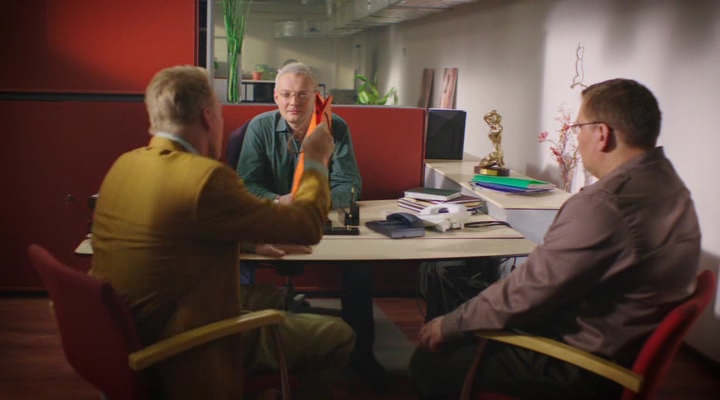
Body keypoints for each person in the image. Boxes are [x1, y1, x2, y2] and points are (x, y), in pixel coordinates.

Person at [409, 78, 701, 399]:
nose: (577, 138)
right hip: (620, 346)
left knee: (432, 361)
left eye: (578, 128)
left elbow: (528, 292)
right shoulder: (670, 185)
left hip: (580, 365)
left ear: (602, 134)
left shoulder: (605, 204)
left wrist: (449, 325)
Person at [89, 65, 354, 400]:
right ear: (207, 116)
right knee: (337, 334)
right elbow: (307, 227)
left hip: (137, 330)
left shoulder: (123, 165)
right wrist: (314, 158)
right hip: (186, 345)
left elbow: (174, 233)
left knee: (278, 300)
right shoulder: (206, 177)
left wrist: (253, 241)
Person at [235, 62, 387, 388]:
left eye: (303, 95)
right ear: (275, 97)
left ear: (316, 97)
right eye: (287, 94)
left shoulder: (335, 126)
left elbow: (350, 185)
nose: (294, 102)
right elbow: (246, 185)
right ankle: (246, 346)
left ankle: (362, 355)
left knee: (360, 265)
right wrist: (282, 201)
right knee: (238, 260)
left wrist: (309, 202)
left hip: (322, 220)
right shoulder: (259, 127)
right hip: (270, 221)